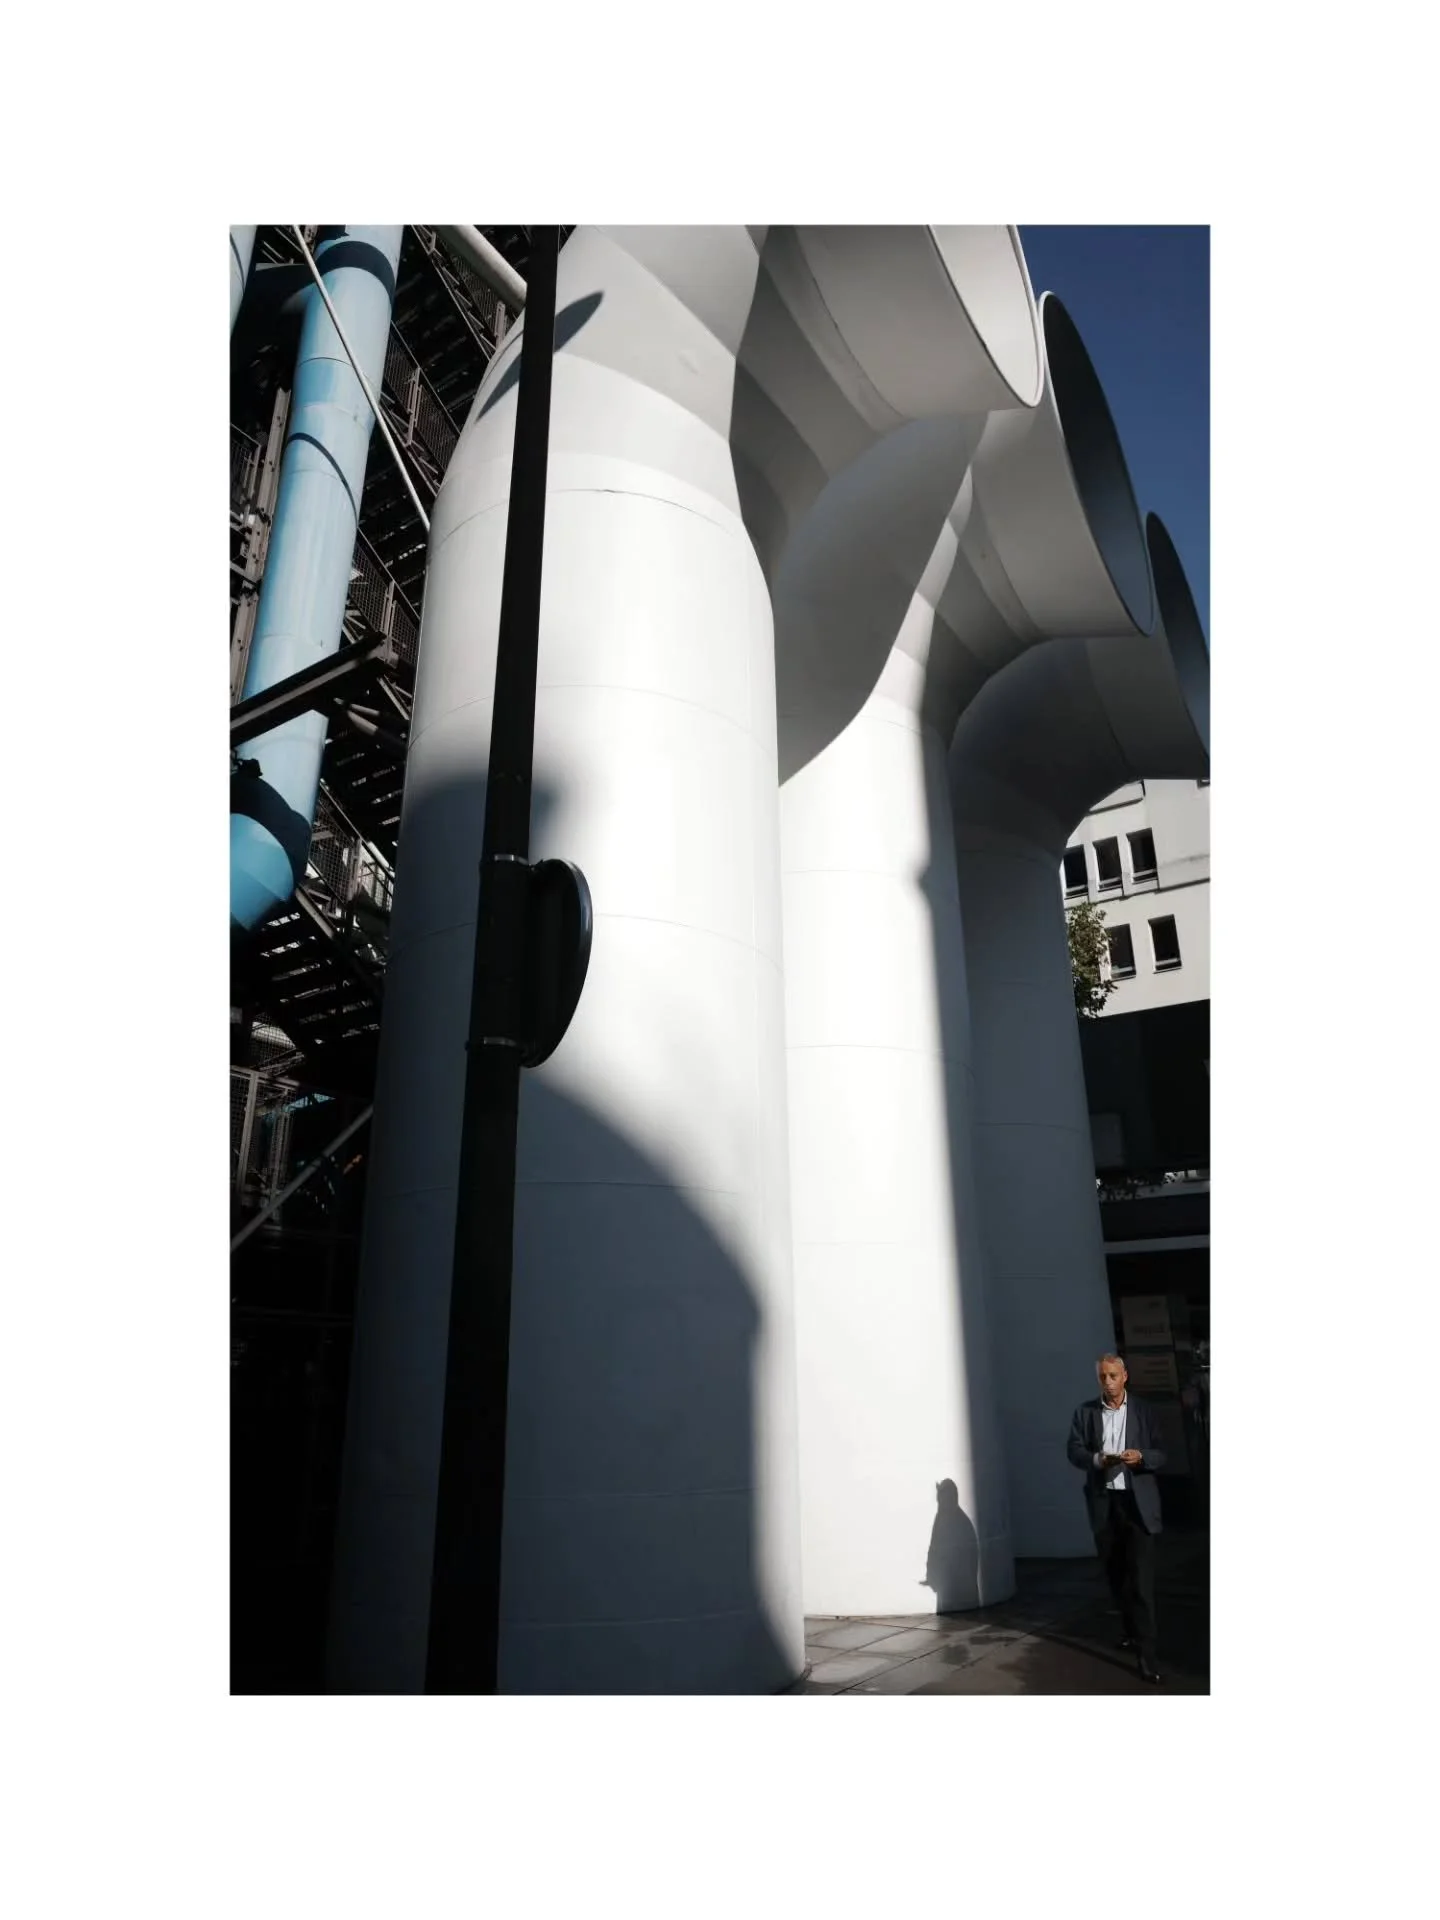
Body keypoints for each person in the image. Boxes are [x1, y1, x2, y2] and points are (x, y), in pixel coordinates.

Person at [1067, 1352, 1166, 1684]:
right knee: (1115, 1575)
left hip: (1138, 1507)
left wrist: (1140, 1457)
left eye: (1113, 1376)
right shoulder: (1085, 1412)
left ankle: (1147, 1657)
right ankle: (1127, 1630)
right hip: (1105, 1503)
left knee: (1141, 1583)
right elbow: (1074, 1450)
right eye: (1102, 1377)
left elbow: (1162, 1453)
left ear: (1125, 1376)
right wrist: (1097, 1459)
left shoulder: (1144, 1411)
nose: (1108, 1382)